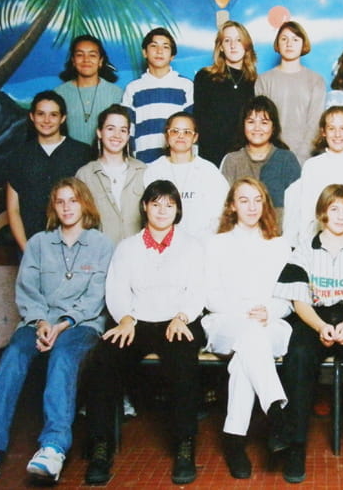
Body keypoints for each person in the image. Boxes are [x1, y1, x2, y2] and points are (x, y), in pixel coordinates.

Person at [0, 178, 113, 487]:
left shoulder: (101, 245)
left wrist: (62, 324)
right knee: (13, 354)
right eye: (60, 201)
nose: (67, 207)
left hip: (81, 325)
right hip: (37, 323)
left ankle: (53, 448)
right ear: (53, 207)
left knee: (63, 356)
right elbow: (27, 291)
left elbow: (95, 297)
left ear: (85, 204)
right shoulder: (39, 243)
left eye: (73, 200)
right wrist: (41, 323)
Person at [84, 180, 206, 486]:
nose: (162, 211)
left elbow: (198, 290)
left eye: (169, 205)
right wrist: (125, 319)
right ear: (145, 207)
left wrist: (183, 317)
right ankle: (100, 446)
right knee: (103, 359)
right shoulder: (127, 247)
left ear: (178, 209)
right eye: (156, 204)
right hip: (136, 321)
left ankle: (185, 444)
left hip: (177, 320)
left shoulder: (192, 246)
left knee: (183, 363)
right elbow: (116, 289)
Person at [274, 184, 343, 484]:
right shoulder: (304, 249)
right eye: (334, 209)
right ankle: (295, 445)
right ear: (322, 213)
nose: (340, 215)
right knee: (298, 357)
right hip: (314, 317)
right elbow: (299, 300)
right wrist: (320, 327)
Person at [201, 178, 292, 479]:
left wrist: (270, 311)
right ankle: (277, 414)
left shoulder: (279, 245)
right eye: (243, 200)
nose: (251, 207)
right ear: (231, 206)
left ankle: (234, 439)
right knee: (249, 336)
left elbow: (289, 297)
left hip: (269, 324)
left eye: (257, 200)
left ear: (265, 204)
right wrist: (244, 314)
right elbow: (210, 296)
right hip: (225, 322)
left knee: (246, 355)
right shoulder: (216, 244)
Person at [5, 91, 91, 251]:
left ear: (62, 118)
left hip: (74, 247)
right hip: (31, 245)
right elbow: (13, 209)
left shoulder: (83, 153)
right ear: (32, 116)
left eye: (53, 115)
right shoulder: (19, 156)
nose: (46, 120)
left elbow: (89, 205)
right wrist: (27, 250)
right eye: (41, 114)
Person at [283, 106, 343, 248]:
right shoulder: (312, 166)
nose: (337, 134)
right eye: (331, 128)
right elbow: (306, 213)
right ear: (323, 132)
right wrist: (306, 247)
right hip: (319, 245)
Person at [143, 112, 228, 239]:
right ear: (167, 135)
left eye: (187, 132)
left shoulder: (209, 171)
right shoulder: (154, 170)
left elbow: (220, 214)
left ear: (195, 137)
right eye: (175, 131)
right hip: (163, 243)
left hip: (202, 244)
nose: (181, 136)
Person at [219, 96, 300, 224]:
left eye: (264, 122)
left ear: (273, 127)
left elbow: (297, 207)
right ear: (243, 125)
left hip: (279, 233)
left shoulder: (287, 159)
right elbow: (224, 206)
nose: (257, 128)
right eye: (251, 122)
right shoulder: (232, 160)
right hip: (240, 233)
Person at [255, 21, 325, 164]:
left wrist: (299, 160)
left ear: (303, 44)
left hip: (307, 159)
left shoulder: (316, 80)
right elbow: (261, 124)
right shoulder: (264, 80)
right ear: (278, 43)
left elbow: (315, 124)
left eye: (295, 39)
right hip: (271, 157)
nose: (289, 44)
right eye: (284, 39)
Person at [76, 104, 147, 244]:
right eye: (110, 128)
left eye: (123, 130)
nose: (117, 135)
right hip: (99, 253)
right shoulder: (84, 175)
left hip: (137, 252)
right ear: (99, 132)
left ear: (128, 136)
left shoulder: (142, 170)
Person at [123, 27, 193, 164]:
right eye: (154, 46)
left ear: (172, 56)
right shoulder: (133, 88)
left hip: (178, 163)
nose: (159, 51)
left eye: (165, 47)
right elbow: (128, 130)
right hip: (143, 163)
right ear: (144, 52)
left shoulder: (186, 86)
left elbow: (191, 129)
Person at [194, 20, 257, 167]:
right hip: (211, 156)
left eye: (239, 40)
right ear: (221, 47)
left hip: (244, 157)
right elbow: (199, 120)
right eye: (227, 40)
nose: (233, 45)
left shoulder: (254, 81)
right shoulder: (205, 77)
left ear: (246, 45)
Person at [55, 34, 124, 145]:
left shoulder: (117, 94)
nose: (86, 60)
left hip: (105, 155)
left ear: (100, 61)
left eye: (92, 55)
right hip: (68, 155)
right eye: (80, 55)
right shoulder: (59, 94)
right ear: (73, 61)